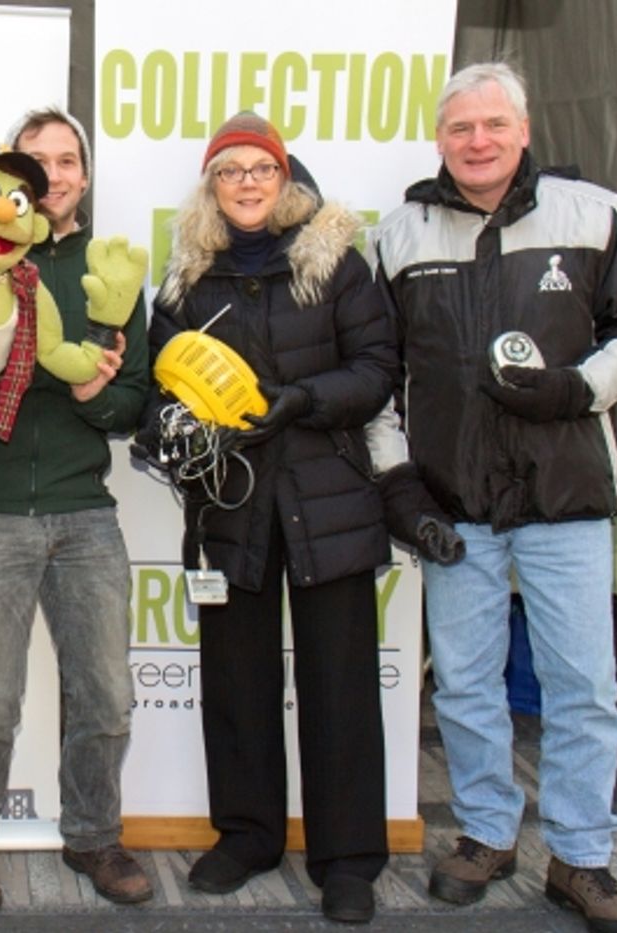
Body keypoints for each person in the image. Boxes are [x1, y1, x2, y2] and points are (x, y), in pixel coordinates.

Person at [368, 62, 617, 933]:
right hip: (455, 501)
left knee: (583, 686)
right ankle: (486, 833)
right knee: (466, 684)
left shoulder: (595, 214)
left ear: (524, 131)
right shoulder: (399, 234)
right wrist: (397, 480)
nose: (478, 141)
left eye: (494, 125)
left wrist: (578, 388)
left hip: (564, 494)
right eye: (461, 128)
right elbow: (376, 376)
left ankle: (580, 855)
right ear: (439, 139)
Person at [137, 112, 396, 923]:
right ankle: (247, 835)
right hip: (232, 501)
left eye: (261, 168)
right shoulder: (186, 277)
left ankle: (347, 859)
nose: (246, 183)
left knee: (339, 685)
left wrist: (303, 400)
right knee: (237, 679)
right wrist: (172, 429)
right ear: (210, 186)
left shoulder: (336, 263)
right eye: (230, 170)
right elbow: (157, 386)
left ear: (285, 179)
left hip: (328, 497)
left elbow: (377, 369)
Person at [0, 106, 154, 911]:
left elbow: (134, 398)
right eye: (38, 160)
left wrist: (95, 393)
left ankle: (93, 835)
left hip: (85, 511)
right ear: (11, 175)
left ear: (84, 178)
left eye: (67, 161)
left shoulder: (110, 271)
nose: (54, 175)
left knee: (108, 695)